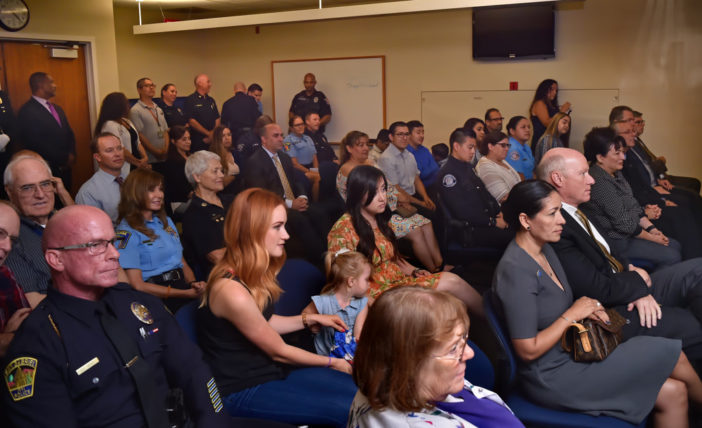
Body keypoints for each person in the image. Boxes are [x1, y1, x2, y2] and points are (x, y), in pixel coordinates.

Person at [494, 179, 702, 426]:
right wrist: (573, 313)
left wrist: (590, 308)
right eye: (552, 213)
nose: (562, 220)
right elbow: (527, 350)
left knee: (673, 390)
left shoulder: (544, 249)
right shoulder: (516, 270)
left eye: (560, 210)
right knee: (674, 363)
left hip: (574, 347)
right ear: (525, 220)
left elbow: (563, 301)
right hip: (554, 373)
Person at [1, 205, 230, 427]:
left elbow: (195, 371)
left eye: (111, 242)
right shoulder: (38, 342)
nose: (114, 254)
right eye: (96, 245)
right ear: (56, 259)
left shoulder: (140, 303)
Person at [196, 188, 356, 427]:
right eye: (277, 227)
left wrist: (309, 319)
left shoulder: (249, 273)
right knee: (347, 411)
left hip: (272, 372)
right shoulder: (230, 289)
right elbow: (277, 350)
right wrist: (334, 363)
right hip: (243, 389)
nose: (286, 235)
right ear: (253, 230)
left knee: (358, 395)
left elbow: (264, 324)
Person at [536, 148, 702, 355]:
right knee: (693, 326)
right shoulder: (555, 226)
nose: (592, 180)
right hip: (611, 309)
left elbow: (613, 251)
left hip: (626, 284)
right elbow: (594, 289)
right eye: (582, 174)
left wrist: (633, 278)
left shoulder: (581, 209)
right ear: (558, 178)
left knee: (698, 269)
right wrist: (637, 286)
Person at [349, 286, 523, 428]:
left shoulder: (417, 383)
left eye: (464, 339)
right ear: (410, 363)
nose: (470, 353)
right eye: (454, 348)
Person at [328, 165, 484, 318]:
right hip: (379, 296)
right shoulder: (343, 229)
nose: (383, 198)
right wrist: (371, 308)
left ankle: (489, 323)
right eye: (374, 192)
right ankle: (494, 321)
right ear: (358, 194)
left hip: (399, 283)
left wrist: (414, 271)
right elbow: (342, 282)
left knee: (455, 302)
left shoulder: (379, 219)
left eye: (383, 189)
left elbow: (393, 259)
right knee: (452, 283)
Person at [337, 130, 446, 272]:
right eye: (360, 145)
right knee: (416, 230)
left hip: (386, 208)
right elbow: (369, 197)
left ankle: (440, 263)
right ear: (349, 148)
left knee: (426, 222)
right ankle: (433, 271)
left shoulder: (368, 163)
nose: (365, 148)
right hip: (370, 217)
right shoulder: (349, 170)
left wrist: (398, 199)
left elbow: (385, 184)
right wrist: (395, 199)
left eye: (366, 144)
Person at [581, 127, 682, 269]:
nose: (623, 157)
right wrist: (653, 238)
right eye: (617, 153)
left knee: (675, 245)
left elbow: (633, 205)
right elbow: (624, 223)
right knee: (671, 255)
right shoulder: (598, 181)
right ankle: (656, 288)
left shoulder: (615, 173)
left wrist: (653, 229)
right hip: (616, 241)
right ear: (600, 157)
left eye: (623, 152)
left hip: (628, 234)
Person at [613, 106, 702, 259]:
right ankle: (695, 263)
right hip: (643, 206)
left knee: (690, 199)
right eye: (629, 124)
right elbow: (631, 195)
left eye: (634, 124)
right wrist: (657, 203)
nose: (633, 128)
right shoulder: (618, 162)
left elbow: (642, 178)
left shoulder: (631, 148)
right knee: (682, 212)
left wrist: (658, 189)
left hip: (647, 200)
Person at [116, 168, 205, 312]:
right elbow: (137, 285)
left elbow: (181, 261)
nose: (159, 195)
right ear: (135, 193)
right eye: (152, 190)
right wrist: (184, 294)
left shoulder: (166, 222)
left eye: (161, 189)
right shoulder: (125, 232)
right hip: (156, 296)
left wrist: (194, 284)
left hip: (182, 287)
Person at [242, 122, 328, 265]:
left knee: (320, 213)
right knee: (301, 221)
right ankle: (320, 262)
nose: (281, 139)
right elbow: (262, 195)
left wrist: (302, 197)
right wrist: (290, 204)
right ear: (264, 139)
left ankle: (331, 254)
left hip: (295, 202)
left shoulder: (284, 158)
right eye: (276, 136)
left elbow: (297, 182)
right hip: (275, 209)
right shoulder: (254, 162)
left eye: (281, 135)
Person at [438, 128, 513, 251]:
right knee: (515, 238)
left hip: (484, 221)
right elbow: (462, 211)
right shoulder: (449, 175)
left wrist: (499, 212)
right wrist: (492, 222)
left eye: (474, 147)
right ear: (456, 146)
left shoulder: (467, 167)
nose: (473, 152)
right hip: (471, 230)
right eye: (470, 147)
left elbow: (485, 193)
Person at [3, 155, 57, 307]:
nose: (40, 194)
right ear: (9, 192)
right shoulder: (10, 239)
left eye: (45, 184)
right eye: (27, 188)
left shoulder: (71, 221)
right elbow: (30, 301)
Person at [304, 250, 370, 359]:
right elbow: (305, 314)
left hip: (349, 353)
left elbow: (359, 332)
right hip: (324, 356)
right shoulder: (322, 301)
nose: (369, 283)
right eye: (367, 279)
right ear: (351, 281)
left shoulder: (362, 303)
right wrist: (313, 325)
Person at [17, 72, 76, 190]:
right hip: (47, 170)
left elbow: (69, 133)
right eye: (51, 82)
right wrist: (62, 158)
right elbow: (35, 142)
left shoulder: (57, 109)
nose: (55, 85)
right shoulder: (27, 111)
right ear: (40, 85)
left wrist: (72, 154)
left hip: (66, 169)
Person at [181, 150, 230, 278]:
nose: (221, 175)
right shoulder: (193, 214)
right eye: (215, 171)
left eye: (221, 170)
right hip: (222, 279)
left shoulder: (230, 201)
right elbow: (217, 257)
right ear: (197, 177)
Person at [632, 110, 700, 194]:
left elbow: (649, 162)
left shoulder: (637, 140)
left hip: (661, 176)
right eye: (638, 122)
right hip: (654, 181)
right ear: (630, 125)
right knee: (693, 187)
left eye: (642, 121)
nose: (643, 124)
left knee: (695, 182)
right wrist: (661, 161)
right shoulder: (632, 144)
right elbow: (645, 168)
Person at [377, 121, 436, 217]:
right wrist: (421, 203)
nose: (404, 138)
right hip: (399, 200)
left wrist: (426, 198)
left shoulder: (410, 155)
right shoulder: (386, 158)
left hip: (413, 195)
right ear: (391, 137)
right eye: (400, 134)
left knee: (436, 209)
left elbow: (416, 179)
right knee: (430, 216)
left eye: (407, 134)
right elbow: (396, 188)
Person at [0, 201, 31, 357]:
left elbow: (28, 325)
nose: (8, 247)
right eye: (0, 233)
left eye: (12, 239)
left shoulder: (5, 275)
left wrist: (9, 337)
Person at [75, 132, 127, 224]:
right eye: (109, 150)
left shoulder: (132, 180)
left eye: (119, 148)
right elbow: (92, 228)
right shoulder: (88, 192)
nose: (117, 154)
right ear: (97, 157)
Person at [95, 92, 149, 177]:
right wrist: (138, 163)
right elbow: (121, 148)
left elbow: (137, 142)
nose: (128, 106)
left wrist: (145, 158)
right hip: (126, 167)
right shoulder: (109, 125)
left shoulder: (127, 121)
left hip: (136, 164)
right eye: (126, 103)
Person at [130, 77, 169, 164]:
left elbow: (165, 130)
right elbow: (139, 135)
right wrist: (156, 152)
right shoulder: (135, 110)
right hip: (150, 159)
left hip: (164, 156)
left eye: (152, 85)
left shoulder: (158, 109)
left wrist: (166, 149)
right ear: (139, 90)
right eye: (147, 86)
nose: (151, 88)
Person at [476, 131, 521, 203]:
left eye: (508, 145)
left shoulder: (502, 161)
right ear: (490, 146)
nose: (507, 149)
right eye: (503, 145)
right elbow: (502, 198)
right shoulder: (485, 167)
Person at [284, 115, 320, 201]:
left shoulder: (308, 138)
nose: (301, 126)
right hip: (298, 171)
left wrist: (315, 171)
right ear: (291, 128)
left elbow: (314, 157)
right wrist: (309, 172)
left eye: (302, 124)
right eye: (297, 125)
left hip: (310, 168)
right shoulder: (287, 141)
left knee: (324, 176)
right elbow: (294, 163)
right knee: (317, 178)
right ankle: (315, 204)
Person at [529, 78, 571, 149]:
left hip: (553, 141)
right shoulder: (540, 103)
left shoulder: (552, 105)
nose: (554, 92)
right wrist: (562, 111)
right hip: (542, 142)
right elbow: (547, 123)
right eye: (552, 89)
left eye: (556, 90)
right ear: (544, 90)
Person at [184, 74, 220, 152]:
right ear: (200, 83)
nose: (210, 84)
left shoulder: (211, 100)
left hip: (213, 141)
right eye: (208, 82)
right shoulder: (190, 100)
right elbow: (192, 121)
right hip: (198, 142)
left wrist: (213, 134)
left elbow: (217, 118)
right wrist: (208, 134)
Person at [161, 125, 192, 213]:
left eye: (189, 138)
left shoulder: (190, 156)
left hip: (191, 196)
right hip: (178, 202)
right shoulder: (173, 162)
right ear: (173, 141)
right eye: (184, 139)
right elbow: (184, 190)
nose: (188, 142)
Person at [406, 120, 439, 188]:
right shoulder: (405, 152)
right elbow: (419, 175)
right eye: (418, 133)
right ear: (408, 134)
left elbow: (436, 168)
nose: (422, 136)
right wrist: (429, 171)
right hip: (415, 191)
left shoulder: (424, 150)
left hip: (433, 187)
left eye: (423, 132)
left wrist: (427, 172)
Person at [209, 125, 239, 194]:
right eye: (223, 136)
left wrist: (233, 177)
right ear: (217, 138)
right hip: (222, 194)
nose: (227, 138)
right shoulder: (213, 156)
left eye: (229, 135)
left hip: (238, 192)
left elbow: (244, 172)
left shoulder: (236, 153)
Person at [505, 116, 535, 180]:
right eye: (523, 127)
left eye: (529, 127)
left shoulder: (526, 146)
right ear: (512, 131)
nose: (527, 130)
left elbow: (532, 170)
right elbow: (518, 176)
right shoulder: (512, 148)